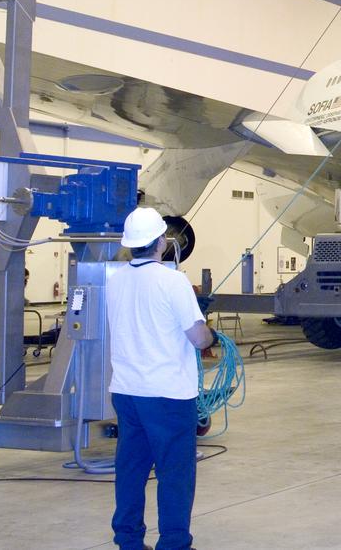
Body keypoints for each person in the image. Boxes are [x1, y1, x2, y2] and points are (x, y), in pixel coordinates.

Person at [107, 207, 216, 550]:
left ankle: (127, 540)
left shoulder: (114, 279)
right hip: (167, 395)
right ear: (161, 242)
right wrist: (210, 331)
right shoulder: (173, 281)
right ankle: (173, 543)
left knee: (131, 469)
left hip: (126, 392)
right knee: (174, 472)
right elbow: (198, 338)